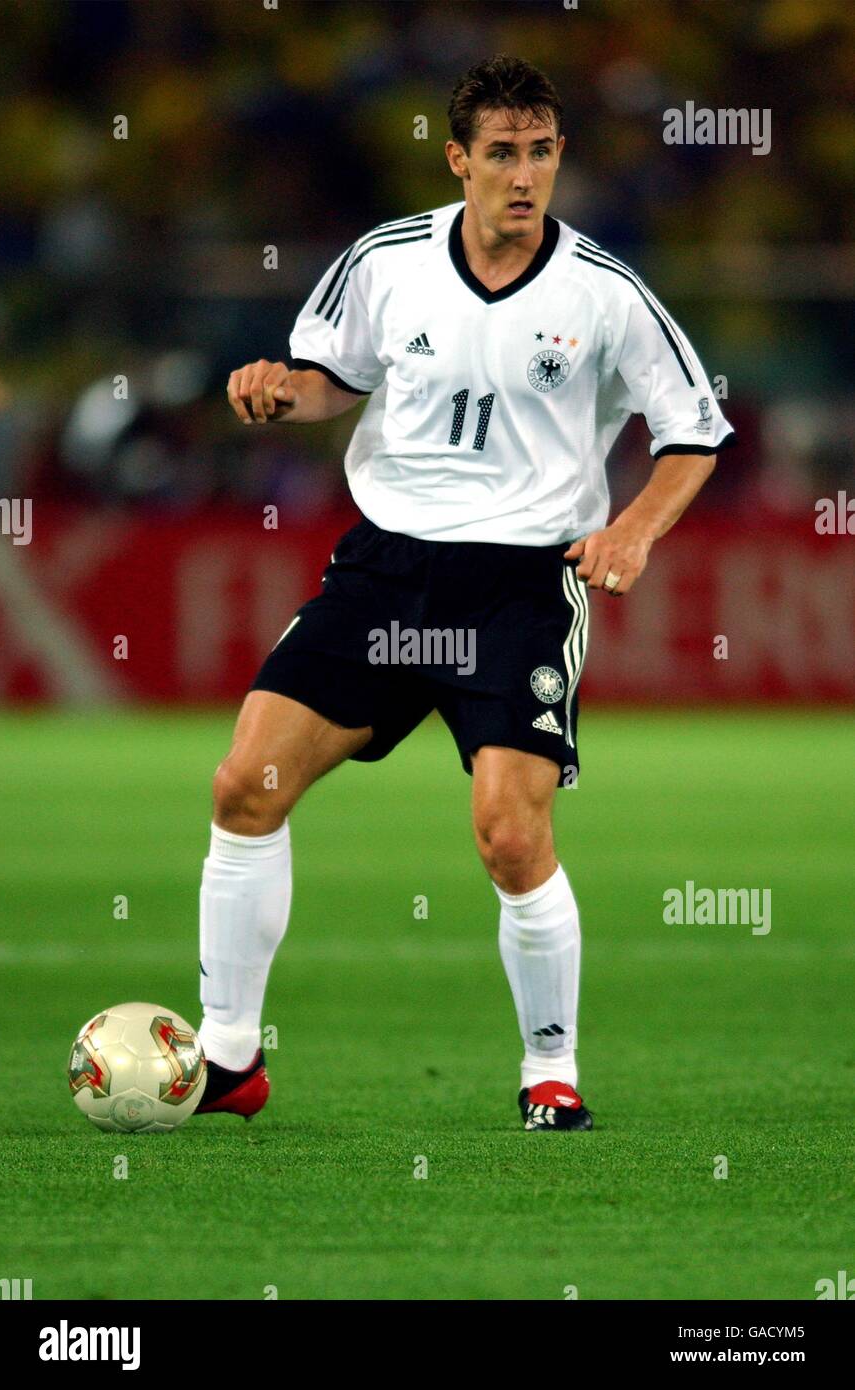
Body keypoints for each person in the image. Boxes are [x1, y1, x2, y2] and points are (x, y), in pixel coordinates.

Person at [194, 55, 735, 1131]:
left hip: (522, 584)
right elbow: (326, 381)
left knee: (506, 833)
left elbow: (694, 432)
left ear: (557, 157)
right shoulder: (387, 261)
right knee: (243, 787)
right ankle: (227, 1059)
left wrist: (629, 529)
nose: (523, 175)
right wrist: (272, 390)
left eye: (539, 152)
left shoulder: (604, 293)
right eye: (500, 153)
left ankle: (550, 1071)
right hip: (387, 568)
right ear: (458, 159)